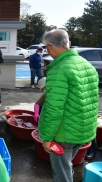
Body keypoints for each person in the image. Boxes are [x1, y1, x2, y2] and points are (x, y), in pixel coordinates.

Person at [38, 29, 99, 182]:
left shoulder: (59, 69)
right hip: (82, 129)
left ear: (49, 47)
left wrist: (46, 137)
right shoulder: (87, 65)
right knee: (67, 166)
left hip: (63, 133)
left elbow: (54, 108)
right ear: (69, 44)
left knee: (61, 174)